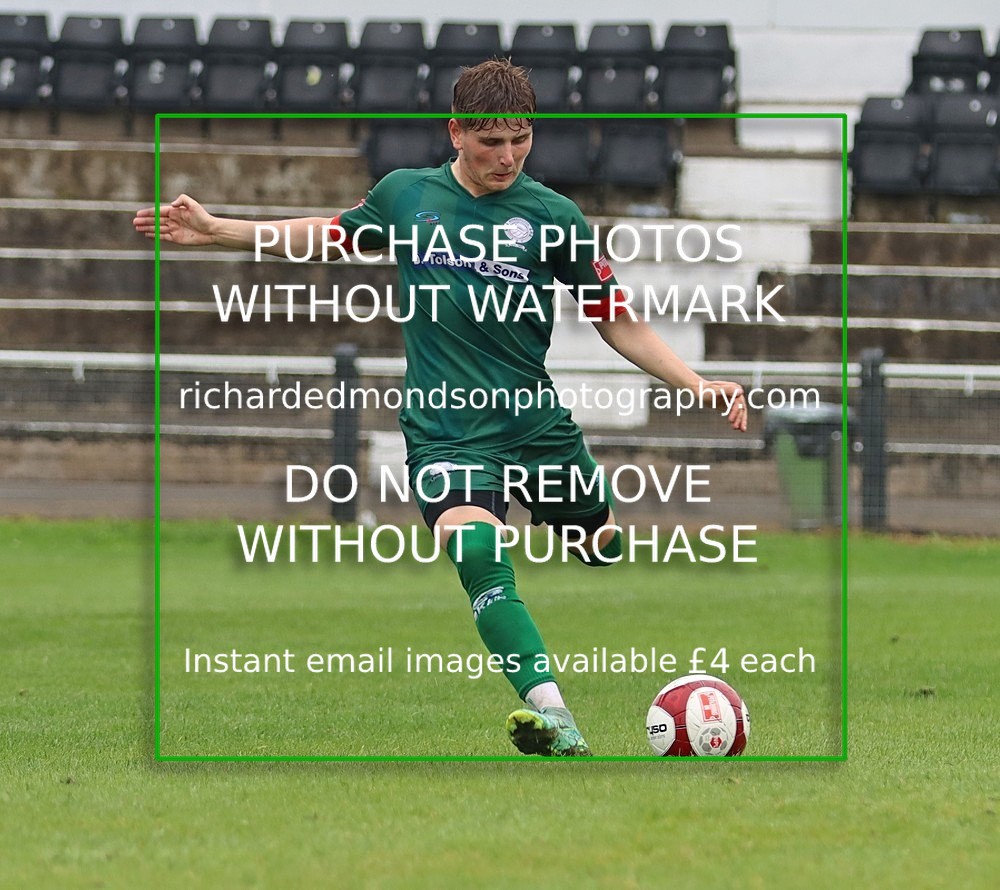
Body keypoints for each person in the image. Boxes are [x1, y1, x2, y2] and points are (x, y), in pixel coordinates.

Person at [134, 59, 747, 757]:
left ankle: (578, 527)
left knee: (599, 545)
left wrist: (695, 384)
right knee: (479, 550)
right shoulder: (407, 195)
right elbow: (328, 233)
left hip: (534, 425)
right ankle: (554, 716)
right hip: (445, 429)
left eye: (520, 139)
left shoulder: (554, 217)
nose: (508, 156)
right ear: (456, 133)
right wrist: (219, 230)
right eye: (491, 142)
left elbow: (617, 319)